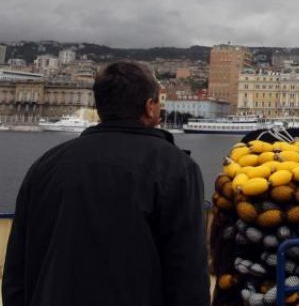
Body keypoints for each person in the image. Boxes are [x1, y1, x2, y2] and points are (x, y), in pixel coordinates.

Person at [2, 60, 210, 306]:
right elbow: (188, 276)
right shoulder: (176, 169)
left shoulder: (45, 165)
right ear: (150, 106)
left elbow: (16, 272)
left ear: (100, 108)